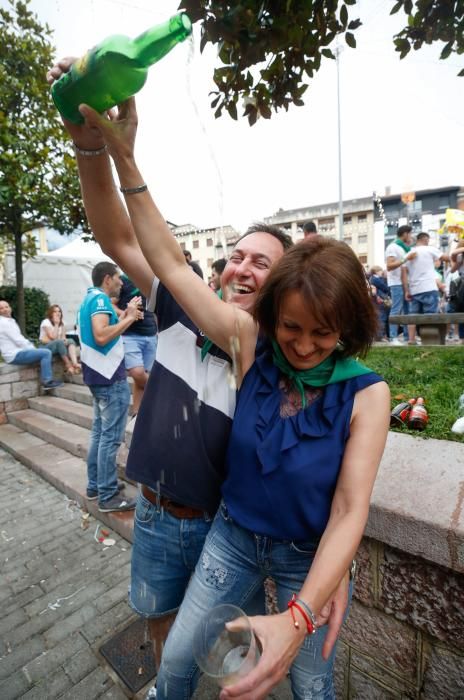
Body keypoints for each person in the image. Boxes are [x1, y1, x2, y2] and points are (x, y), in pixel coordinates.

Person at [72, 96, 390, 700]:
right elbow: (161, 256)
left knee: (306, 680)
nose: (303, 346)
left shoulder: (360, 389)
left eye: (323, 333)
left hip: (292, 548)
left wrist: (321, 587)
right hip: (224, 531)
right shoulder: (245, 339)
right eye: (293, 328)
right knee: (176, 662)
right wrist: (121, 156)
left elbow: (351, 509)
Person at [78, 261, 142, 513]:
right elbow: (102, 335)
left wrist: (126, 314)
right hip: (108, 378)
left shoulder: (89, 299)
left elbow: (103, 332)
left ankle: (95, 486)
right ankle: (107, 495)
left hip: (96, 376)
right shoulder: (101, 300)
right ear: (107, 278)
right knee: (110, 439)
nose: (122, 282)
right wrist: (129, 320)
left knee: (99, 434)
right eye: (118, 278)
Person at [0, 300, 63, 390]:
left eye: (6, 307)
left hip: (16, 353)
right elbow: (19, 341)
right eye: (1, 308)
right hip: (15, 355)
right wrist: (33, 349)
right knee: (46, 353)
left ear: (10, 307)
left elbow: (19, 339)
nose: (5, 309)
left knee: (43, 351)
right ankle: (47, 381)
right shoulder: (4, 323)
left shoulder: (9, 321)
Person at [117, 274, 157, 414]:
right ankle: (161, 391)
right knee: (137, 373)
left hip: (151, 333)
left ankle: (137, 413)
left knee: (142, 377)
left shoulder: (150, 277)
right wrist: (128, 314)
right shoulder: (121, 280)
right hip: (130, 335)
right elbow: (111, 303)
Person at [403, 232, 449, 345]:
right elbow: (446, 258)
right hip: (429, 287)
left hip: (414, 289)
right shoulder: (429, 249)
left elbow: (404, 274)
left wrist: (407, 290)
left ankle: (411, 340)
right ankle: (430, 341)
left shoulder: (408, 254)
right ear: (426, 240)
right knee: (430, 315)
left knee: (413, 315)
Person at [385, 225, 416, 345]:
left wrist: (406, 288)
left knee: (407, 312)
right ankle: (393, 338)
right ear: (405, 234)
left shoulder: (402, 248)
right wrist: (406, 259)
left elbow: (404, 270)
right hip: (395, 283)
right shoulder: (393, 247)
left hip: (403, 283)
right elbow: (389, 265)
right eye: (410, 234)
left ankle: (408, 337)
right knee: (396, 310)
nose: (411, 237)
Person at [39, 304, 81, 374]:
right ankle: (68, 365)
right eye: (55, 312)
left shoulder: (63, 323)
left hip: (58, 345)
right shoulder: (46, 322)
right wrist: (56, 324)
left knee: (70, 340)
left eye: (59, 311)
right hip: (45, 346)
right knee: (59, 342)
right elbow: (53, 337)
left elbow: (63, 337)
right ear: (51, 313)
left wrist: (65, 340)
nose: (58, 313)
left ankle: (75, 363)